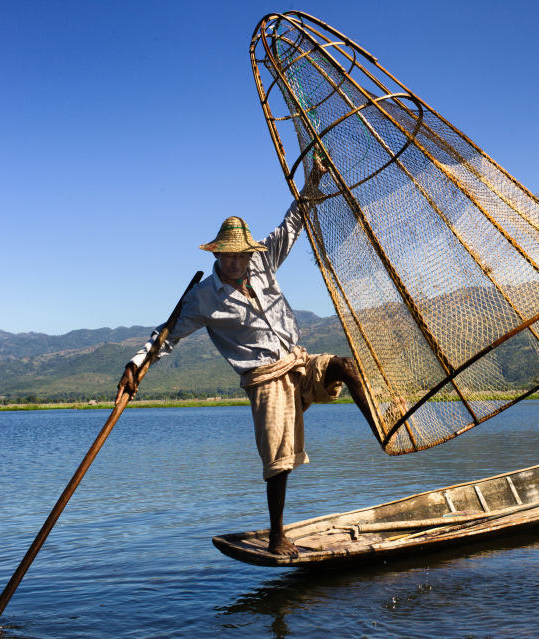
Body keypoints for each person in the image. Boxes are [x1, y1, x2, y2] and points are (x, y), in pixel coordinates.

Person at [115, 161, 375, 556]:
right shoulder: (203, 297)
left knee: (345, 367)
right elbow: (166, 337)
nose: (236, 262)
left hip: (296, 361)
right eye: (229, 256)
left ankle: (382, 425)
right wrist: (137, 366)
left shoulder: (264, 261)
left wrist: (313, 181)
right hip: (265, 377)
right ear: (217, 254)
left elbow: (293, 223)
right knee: (279, 460)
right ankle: (276, 535)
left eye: (241, 255)